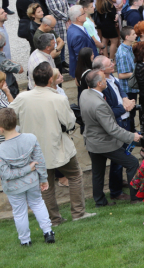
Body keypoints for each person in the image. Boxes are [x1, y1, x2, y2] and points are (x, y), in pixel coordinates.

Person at [11, 62, 92, 223]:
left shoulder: (22, 98)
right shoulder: (58, 99)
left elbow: (8, 116)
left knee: (45, 184)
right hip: (58, 147)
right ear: (50, 80)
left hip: (34, 151)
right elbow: (69, 123)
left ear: (34, 80)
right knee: (75, 176)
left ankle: (54, 218)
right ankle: (78, 213)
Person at [0, 108, 55, 246]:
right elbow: (40, 160)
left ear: (0, 129)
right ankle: (48, 231)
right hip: (32, 181)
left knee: (19, 212)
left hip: (14, 187)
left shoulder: (0, 151)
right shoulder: (31, 138)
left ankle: (25, 240)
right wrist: (43, 178)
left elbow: (6, 173)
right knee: (38, 204)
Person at [80, 69, 141, 207]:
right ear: (99, 83)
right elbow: (112, 129)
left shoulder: (85, 94)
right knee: (132, 163)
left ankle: (100, 202)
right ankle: (136, 198)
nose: (107, 80)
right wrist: (132, 136)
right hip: (104, 143)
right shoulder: (99, 104)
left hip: (92, 142)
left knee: (97, 173)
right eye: (104, 79)